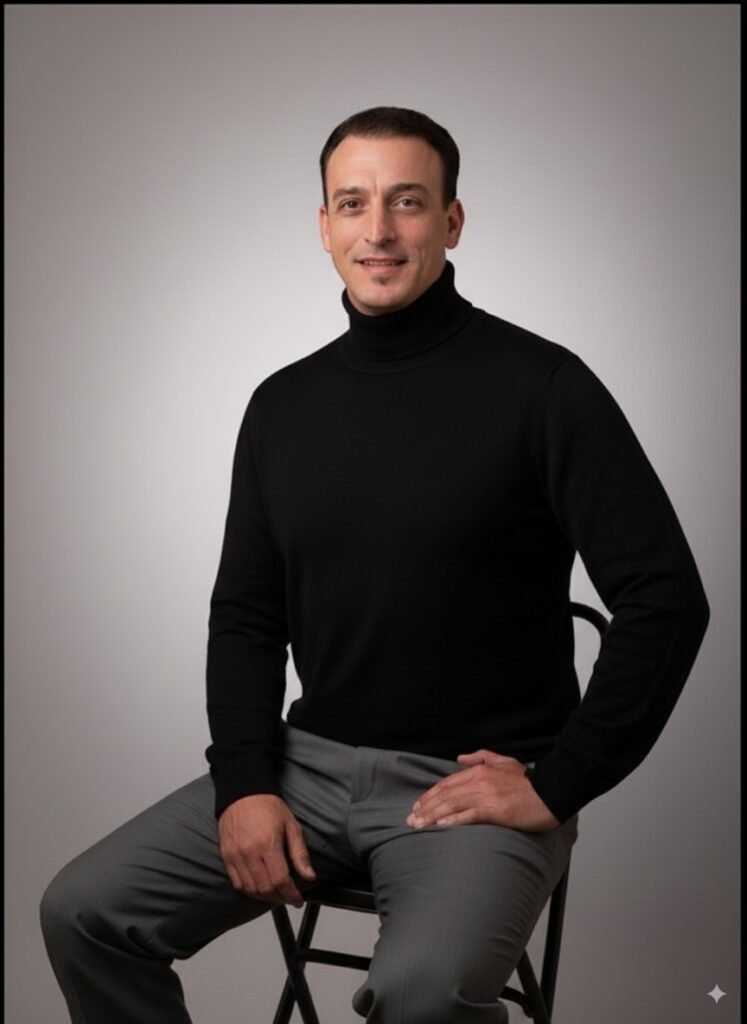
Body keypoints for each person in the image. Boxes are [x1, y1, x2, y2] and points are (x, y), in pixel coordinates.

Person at [40, 106, 709, 1024]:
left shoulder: (543, 387)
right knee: (83, 912)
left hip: (466, 787)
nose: (379, 229)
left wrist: (556, 783)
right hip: (304, 769)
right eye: (352, 204)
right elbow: (245, 616)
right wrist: (245, 784)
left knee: (420, 993)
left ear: (451, 221)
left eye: (407, 201)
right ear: (324, 227)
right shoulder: (282, 406)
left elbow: (665, 599)